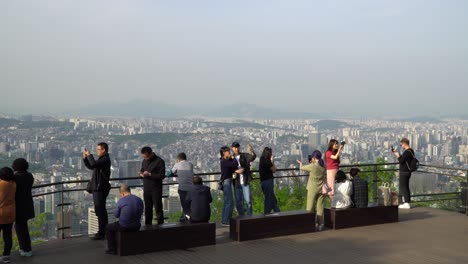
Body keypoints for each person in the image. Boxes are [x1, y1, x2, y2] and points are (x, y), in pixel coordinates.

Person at [83, 142, 111, 240]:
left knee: (101, 211)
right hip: (98, 188)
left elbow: (94, 164)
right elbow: (92, 166)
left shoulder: (105, 159)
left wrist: (89, 155)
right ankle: (104, 232)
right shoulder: (102, 159)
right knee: (100, 211)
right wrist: (85, 158)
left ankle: (102, 233)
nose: (97, 151)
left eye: (98, 149)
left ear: (103, 150)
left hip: (100, 188)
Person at [105, 184, 143, 255]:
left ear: (122, 193)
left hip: (125, 226)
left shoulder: (121, 200)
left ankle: (112, 249)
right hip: (137, 226)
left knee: (108, 227)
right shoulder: (139, 199)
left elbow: (116, 215)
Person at [297, 150, 326, 231]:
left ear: (314, 158)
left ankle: (311, 224)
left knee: (310, 207)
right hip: (321, 189)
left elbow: (302, 168)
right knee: (320, 207)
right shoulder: (323, 166)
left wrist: (300, 163)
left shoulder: (313, 166)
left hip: (312, 189)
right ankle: (321, 224)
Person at [12, 158, 35, 257]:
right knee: (23, 227)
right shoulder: (29, 176)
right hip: (27, 204)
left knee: (19, 228)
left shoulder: (15, 178)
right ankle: (27, 248)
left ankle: (24, 249)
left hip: (17, 205)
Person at [139, 146, 166, 225]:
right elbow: (142, 170)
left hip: (156, 188)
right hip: (146, 188)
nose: (145, 158)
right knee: (147, 208)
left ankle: (160, 225)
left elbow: (162, 175)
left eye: (146, 156)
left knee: (158, 208)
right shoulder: (144, 161)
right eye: (144, 157)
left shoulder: (159, 161)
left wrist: (150, 174)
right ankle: (148, 225)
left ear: (151, 154)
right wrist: (141, 174)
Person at [219, 146, 243, 226]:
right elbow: (235, 164)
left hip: (228, 181)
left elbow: (233, 167)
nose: (229, 152)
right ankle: (226, 220)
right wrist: (233, 157)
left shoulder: (225, 161)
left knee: (227, 201)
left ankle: (224, 220)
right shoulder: (223, 161)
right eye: (227, 151)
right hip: (226, 181)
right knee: (229, 202)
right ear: (223, 153)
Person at [231, 142, 256, 216]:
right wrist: (237, 171)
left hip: (245, 181)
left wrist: (251, 151)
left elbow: (252, 158)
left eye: (237, 147)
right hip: (236, 182)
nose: (236, 149)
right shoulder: (231, 158)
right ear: (232, 148)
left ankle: (249, 216)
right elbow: (227, 169)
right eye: (235, 147)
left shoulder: (244, 155)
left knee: (248, 201)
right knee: (239, 202)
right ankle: (241, 217)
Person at [392, 137, 415, 209]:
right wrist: (399, 155)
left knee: (404, 187)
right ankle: (406, 202)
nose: (401, 146)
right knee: (406, 187)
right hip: (407, 171)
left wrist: (398, 155)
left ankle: (406, 203)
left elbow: (401, 161)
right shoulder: (411, 151)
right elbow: (405, 160)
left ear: (405, 144)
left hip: (404, 172)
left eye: (401, 145)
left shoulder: (407, 152)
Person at [171, 153, 194, 222]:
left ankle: (186, 218)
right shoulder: (190, 164)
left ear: (178, 159)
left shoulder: (177, 164)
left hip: (183, 188)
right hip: (191, 188)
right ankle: (185, 217)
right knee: (189, 204)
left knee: (184, 204)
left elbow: (170, 173)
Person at [0, 167, 16, 264]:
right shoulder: (13, 184)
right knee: (7, 235)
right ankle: (6, 256)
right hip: (10, 212)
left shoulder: (2, 185)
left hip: (1, 213)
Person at [259, 147, 280, 215]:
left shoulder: (261, 159)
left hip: (263, 182)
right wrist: (272, 161)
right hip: (268, 181)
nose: (271, 154)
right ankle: (266, 214)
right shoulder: (267, 161)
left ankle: (278, 211)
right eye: (271, 153)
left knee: (271, 198)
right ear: (268, 154)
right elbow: (274, 170)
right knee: (269, 199)